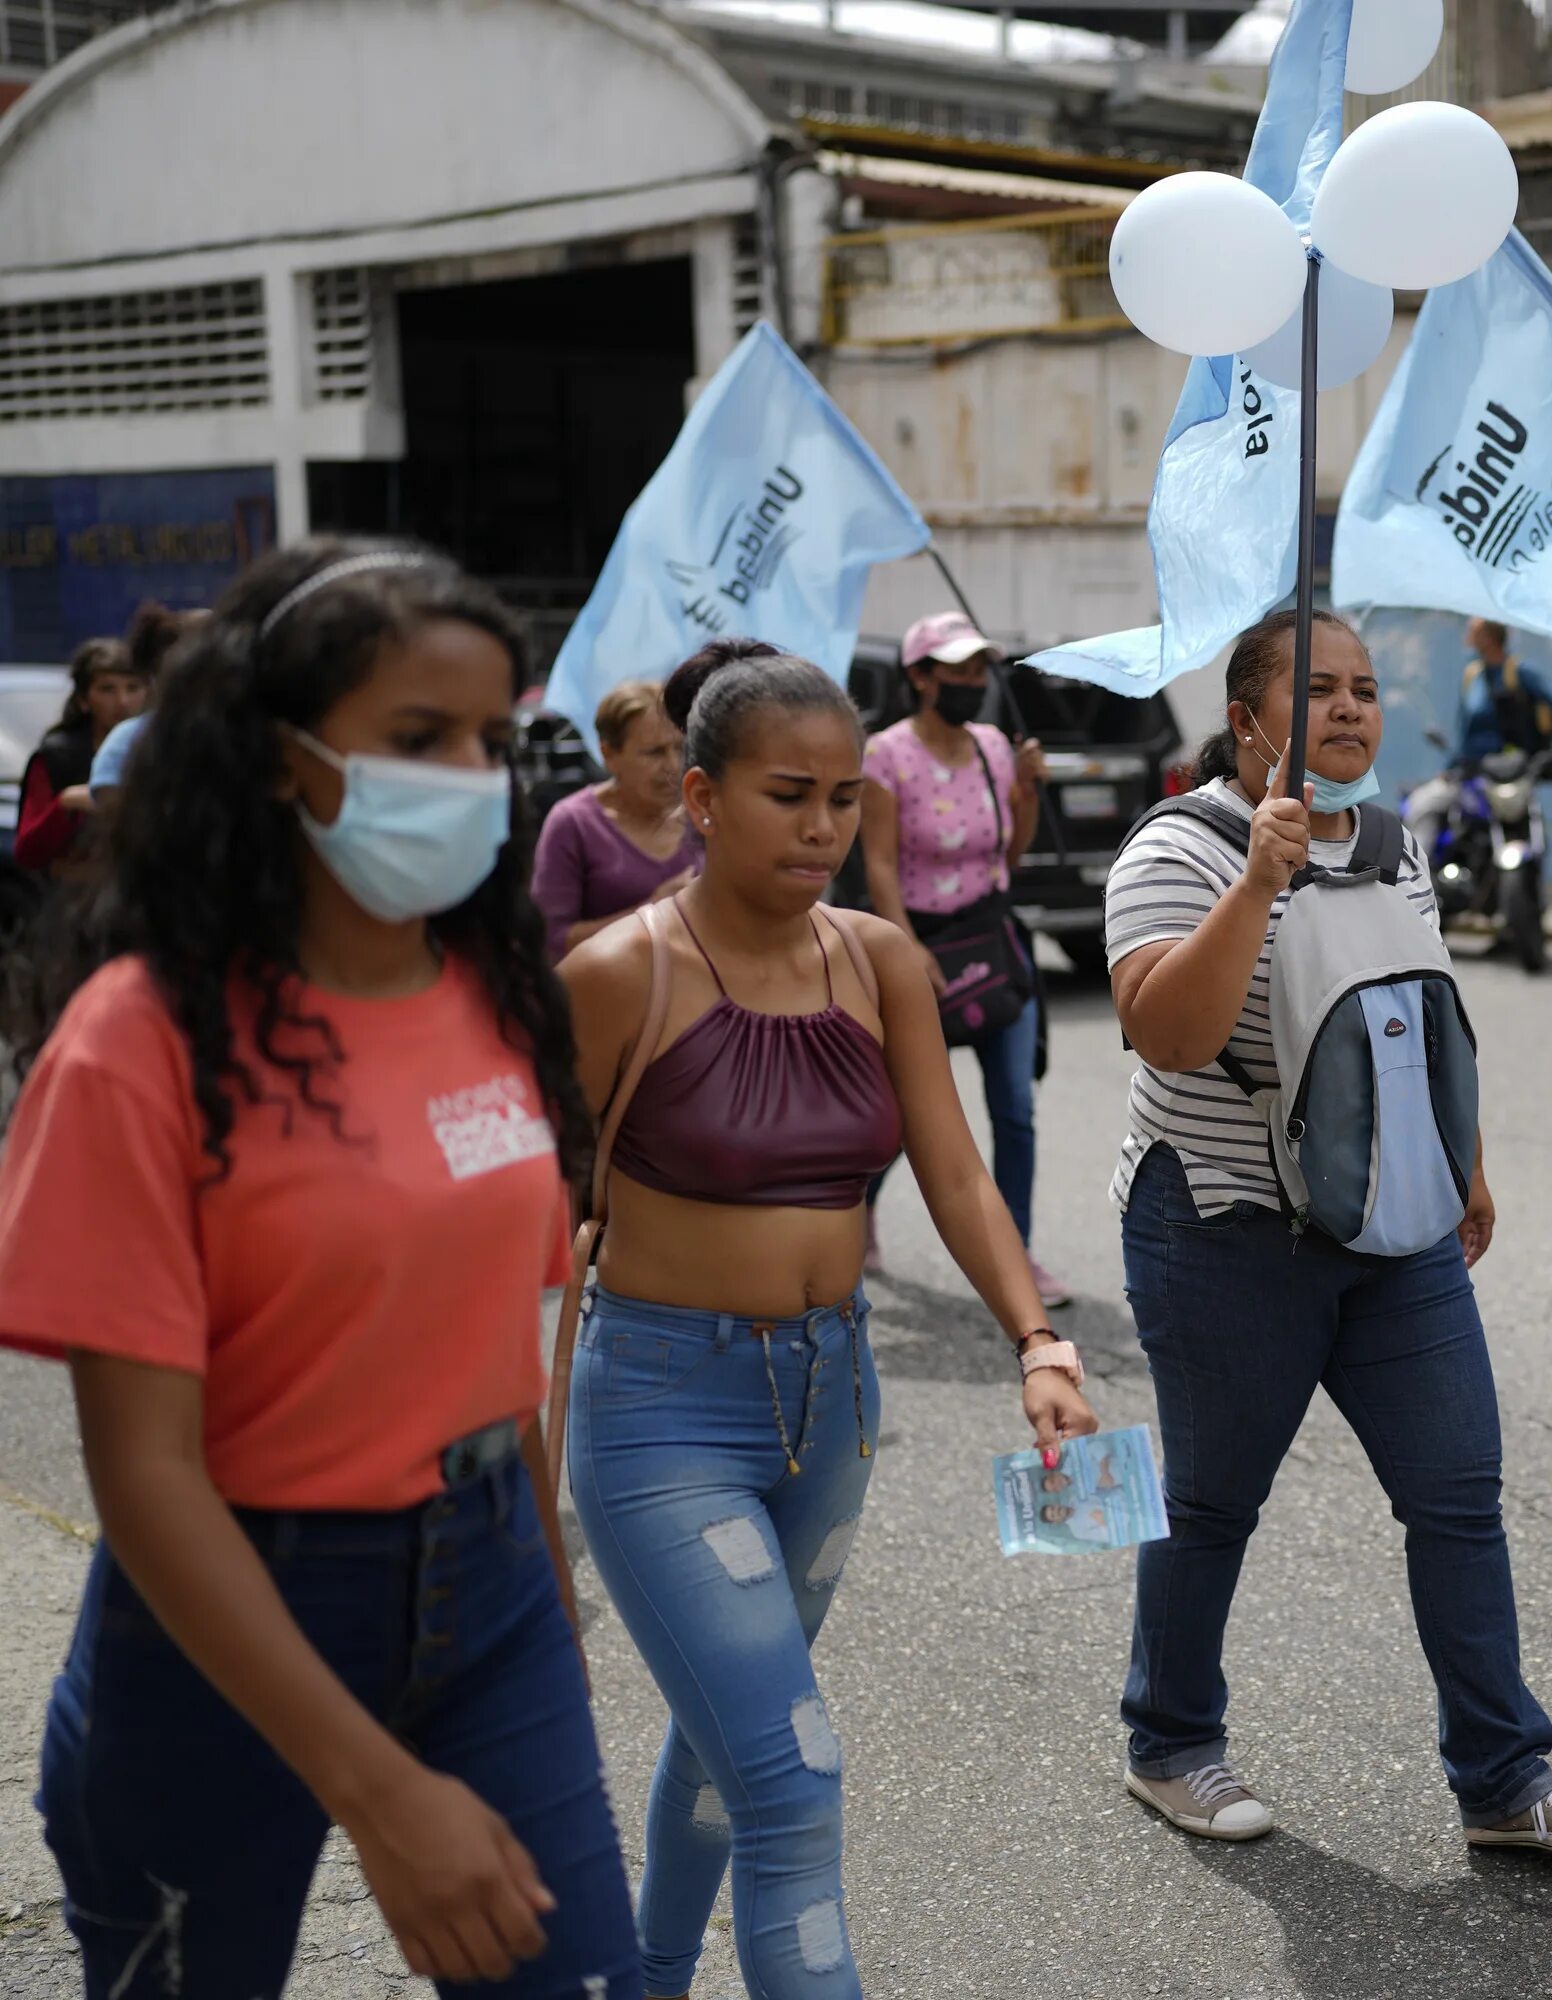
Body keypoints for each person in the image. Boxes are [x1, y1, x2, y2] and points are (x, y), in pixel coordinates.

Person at [0, 540, 637, 1992]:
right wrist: (384, 1796)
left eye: (488, 738)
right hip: (231, 1612)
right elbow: (146, 1474)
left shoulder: (494, 995)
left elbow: (497, 1356)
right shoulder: (142, 1038)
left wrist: (541, 1601)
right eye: (417, 740)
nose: (469, 776)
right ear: (280, 758)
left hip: (493, 1596)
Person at [554, 636, 1093, 1999]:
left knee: (729, 1736)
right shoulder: (619, 976)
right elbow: (532, 1239)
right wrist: (509, 1490)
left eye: (844, 797)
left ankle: (648, 1978)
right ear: (700, 799)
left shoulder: (880, 964)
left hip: (834, 1408)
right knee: (792, 1774)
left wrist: (1036, 1337)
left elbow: (956, 1171)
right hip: (659, 1415)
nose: (822, 826)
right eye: (788, 793)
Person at [1103, 606, 1552, 1855]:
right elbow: (1168, 1033)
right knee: (1209, 1503)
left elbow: (1421, 1015)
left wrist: (1466, 1163)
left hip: (1394, 1222)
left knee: (1457, 1492)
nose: (1349, 708)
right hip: (1223, 1223)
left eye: (1364, 690)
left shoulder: (1398, 843)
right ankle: (1170, 1740)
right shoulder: (1174, 848)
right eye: (1318, 690)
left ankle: (1505, 1778)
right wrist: (1257, 880)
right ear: (1248, 723)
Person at [860, 611, 1062, 1302]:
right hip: (921, 946)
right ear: (920, 677)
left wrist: (1027, 792)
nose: (973, 682)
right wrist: (904, 945)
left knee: (1014, 1108)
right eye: (957, 670)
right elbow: (879, 861)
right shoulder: (884, 754)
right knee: (901, 1110)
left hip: (994, 942)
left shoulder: (992, 746)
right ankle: (859, 1215)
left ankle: (1017, 1255)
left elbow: (1011, 852)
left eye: (980, 669)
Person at [530, 677, 698, 960]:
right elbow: (550, 941)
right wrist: (652, 911)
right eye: (654, 752)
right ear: (609, 755)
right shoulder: (574, 823)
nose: (672, 765)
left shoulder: (702, 813)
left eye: (680, 748)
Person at [1402, 618, 1552, 866]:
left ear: (1488, 637)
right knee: (1422, 804)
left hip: (1510, 773)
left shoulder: (1520, 672)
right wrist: (1451, 765)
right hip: (1473, 772)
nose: (1467, 635)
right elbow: (1466, 731)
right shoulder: (1472, 675)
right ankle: (1416, 875)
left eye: (1473, 631)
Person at [13, 628, 151, 877]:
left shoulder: (158, 748)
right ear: (83, 700)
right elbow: (27, 850)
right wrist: (67, 803)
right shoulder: (57, 757)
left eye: (133, 688)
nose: (123, 701)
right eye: (107, 689)